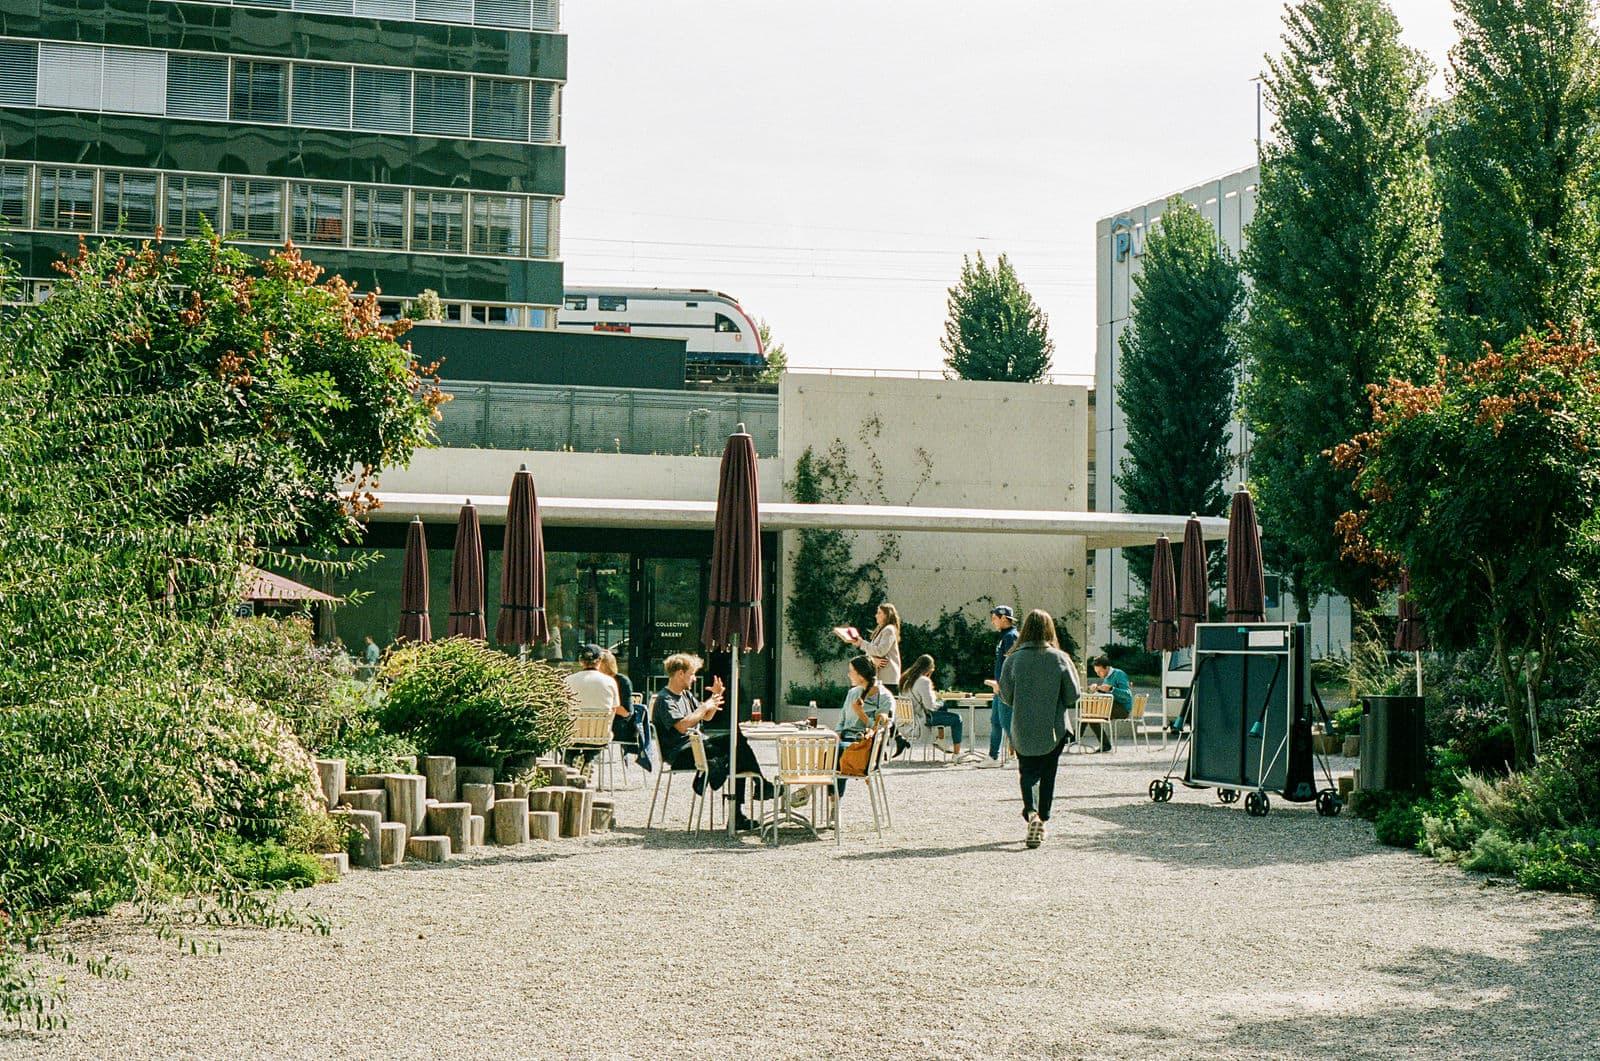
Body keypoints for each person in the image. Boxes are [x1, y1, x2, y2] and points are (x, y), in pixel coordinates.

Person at [650, 653, 772, 831]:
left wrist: (714, 699)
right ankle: (758, 786)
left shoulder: (685, 695)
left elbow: (706, 717)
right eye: (691, 674)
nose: (694, 678)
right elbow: (683, 726)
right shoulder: (665, 699)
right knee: (735, 743)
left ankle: (721, 778)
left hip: (697, 746)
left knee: (736, 750)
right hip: (680, 752)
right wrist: (705, 706)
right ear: (680, 674)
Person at [999, 609, 1081, 849]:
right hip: (1053, 727)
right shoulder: (1060, 658)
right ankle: (1043, 819)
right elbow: (1073, 695)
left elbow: (1006, 695)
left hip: (1022, 726)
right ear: (1049, 630)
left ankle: (1032, 813)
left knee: (1027, 773)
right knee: (1048, 774)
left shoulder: (1013, 658)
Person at [835, 654, 896, 797]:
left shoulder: (885, 697)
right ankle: (830, 802)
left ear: (861, 675)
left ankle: (830, 802)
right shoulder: (852, 693)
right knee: (826, 749)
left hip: (863, 746)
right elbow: (841, 720)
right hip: (845, 741)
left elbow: (880, 729)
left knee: (836, 752)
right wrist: (836, 734)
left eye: (851, 671)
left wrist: (861, 713)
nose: (848, 674)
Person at [563, 643, 620, 767]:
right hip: (599, 737)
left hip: (572, 736)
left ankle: (571, 760)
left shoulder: (568, 680)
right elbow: (614, 709)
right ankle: (589, 759)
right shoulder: (610, 682)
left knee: (565, 740)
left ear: (580, 661)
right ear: (599, 660)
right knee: (598, 737)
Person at [901, 653, 963, 758]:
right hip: (922, 720)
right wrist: (938, 700)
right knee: (957, 719)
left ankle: (940, 740)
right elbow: (930, 706)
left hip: (909, 719)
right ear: (929, 668)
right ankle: (956, 755)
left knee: (943, 705)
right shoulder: (923, 681)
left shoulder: (906, 680)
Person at [597, 648, 650, 769]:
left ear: (605, 665)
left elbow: (626, 713)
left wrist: (606, 704)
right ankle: (583, 759)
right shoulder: (596, 681)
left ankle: (587, 759)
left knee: (591, 731)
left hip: (620, 725)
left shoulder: (622, 681)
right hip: (600, 723)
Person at [981, 605, 1019, 766]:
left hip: (1005, 688)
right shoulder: (1005, 636)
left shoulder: (1011, 637)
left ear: (1004, 618)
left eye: (995, 618)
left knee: (1006, 722)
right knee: (996, 721)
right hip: (999, 687)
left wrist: (1004, 684)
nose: (993, 622)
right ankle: (992, 757)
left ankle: (1019, 757)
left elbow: (1011, 664)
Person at [849, 603, 903, 694]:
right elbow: (874, 651)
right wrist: (872, 660)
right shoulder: (882, 630)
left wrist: (862, 643)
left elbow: (880, 651)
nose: (876, 615)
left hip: (887, 679)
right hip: (881, 678)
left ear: (887, 615)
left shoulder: (888, 630)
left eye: (879, 613)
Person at [1087, 657, 1134, 753]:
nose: (1098, 674)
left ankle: (1074, 737)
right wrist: (1098, 689)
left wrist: (1112, 689)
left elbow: (1127, 694)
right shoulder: (1106, 678)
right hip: (1112, 707)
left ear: (1107, 668)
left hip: (1122, 709)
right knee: (1089, 715)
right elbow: (1106, 695)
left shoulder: (1119, 674)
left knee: (1090, 714)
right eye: (1096, 672)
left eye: (1099, 672)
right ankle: (1105, 745)